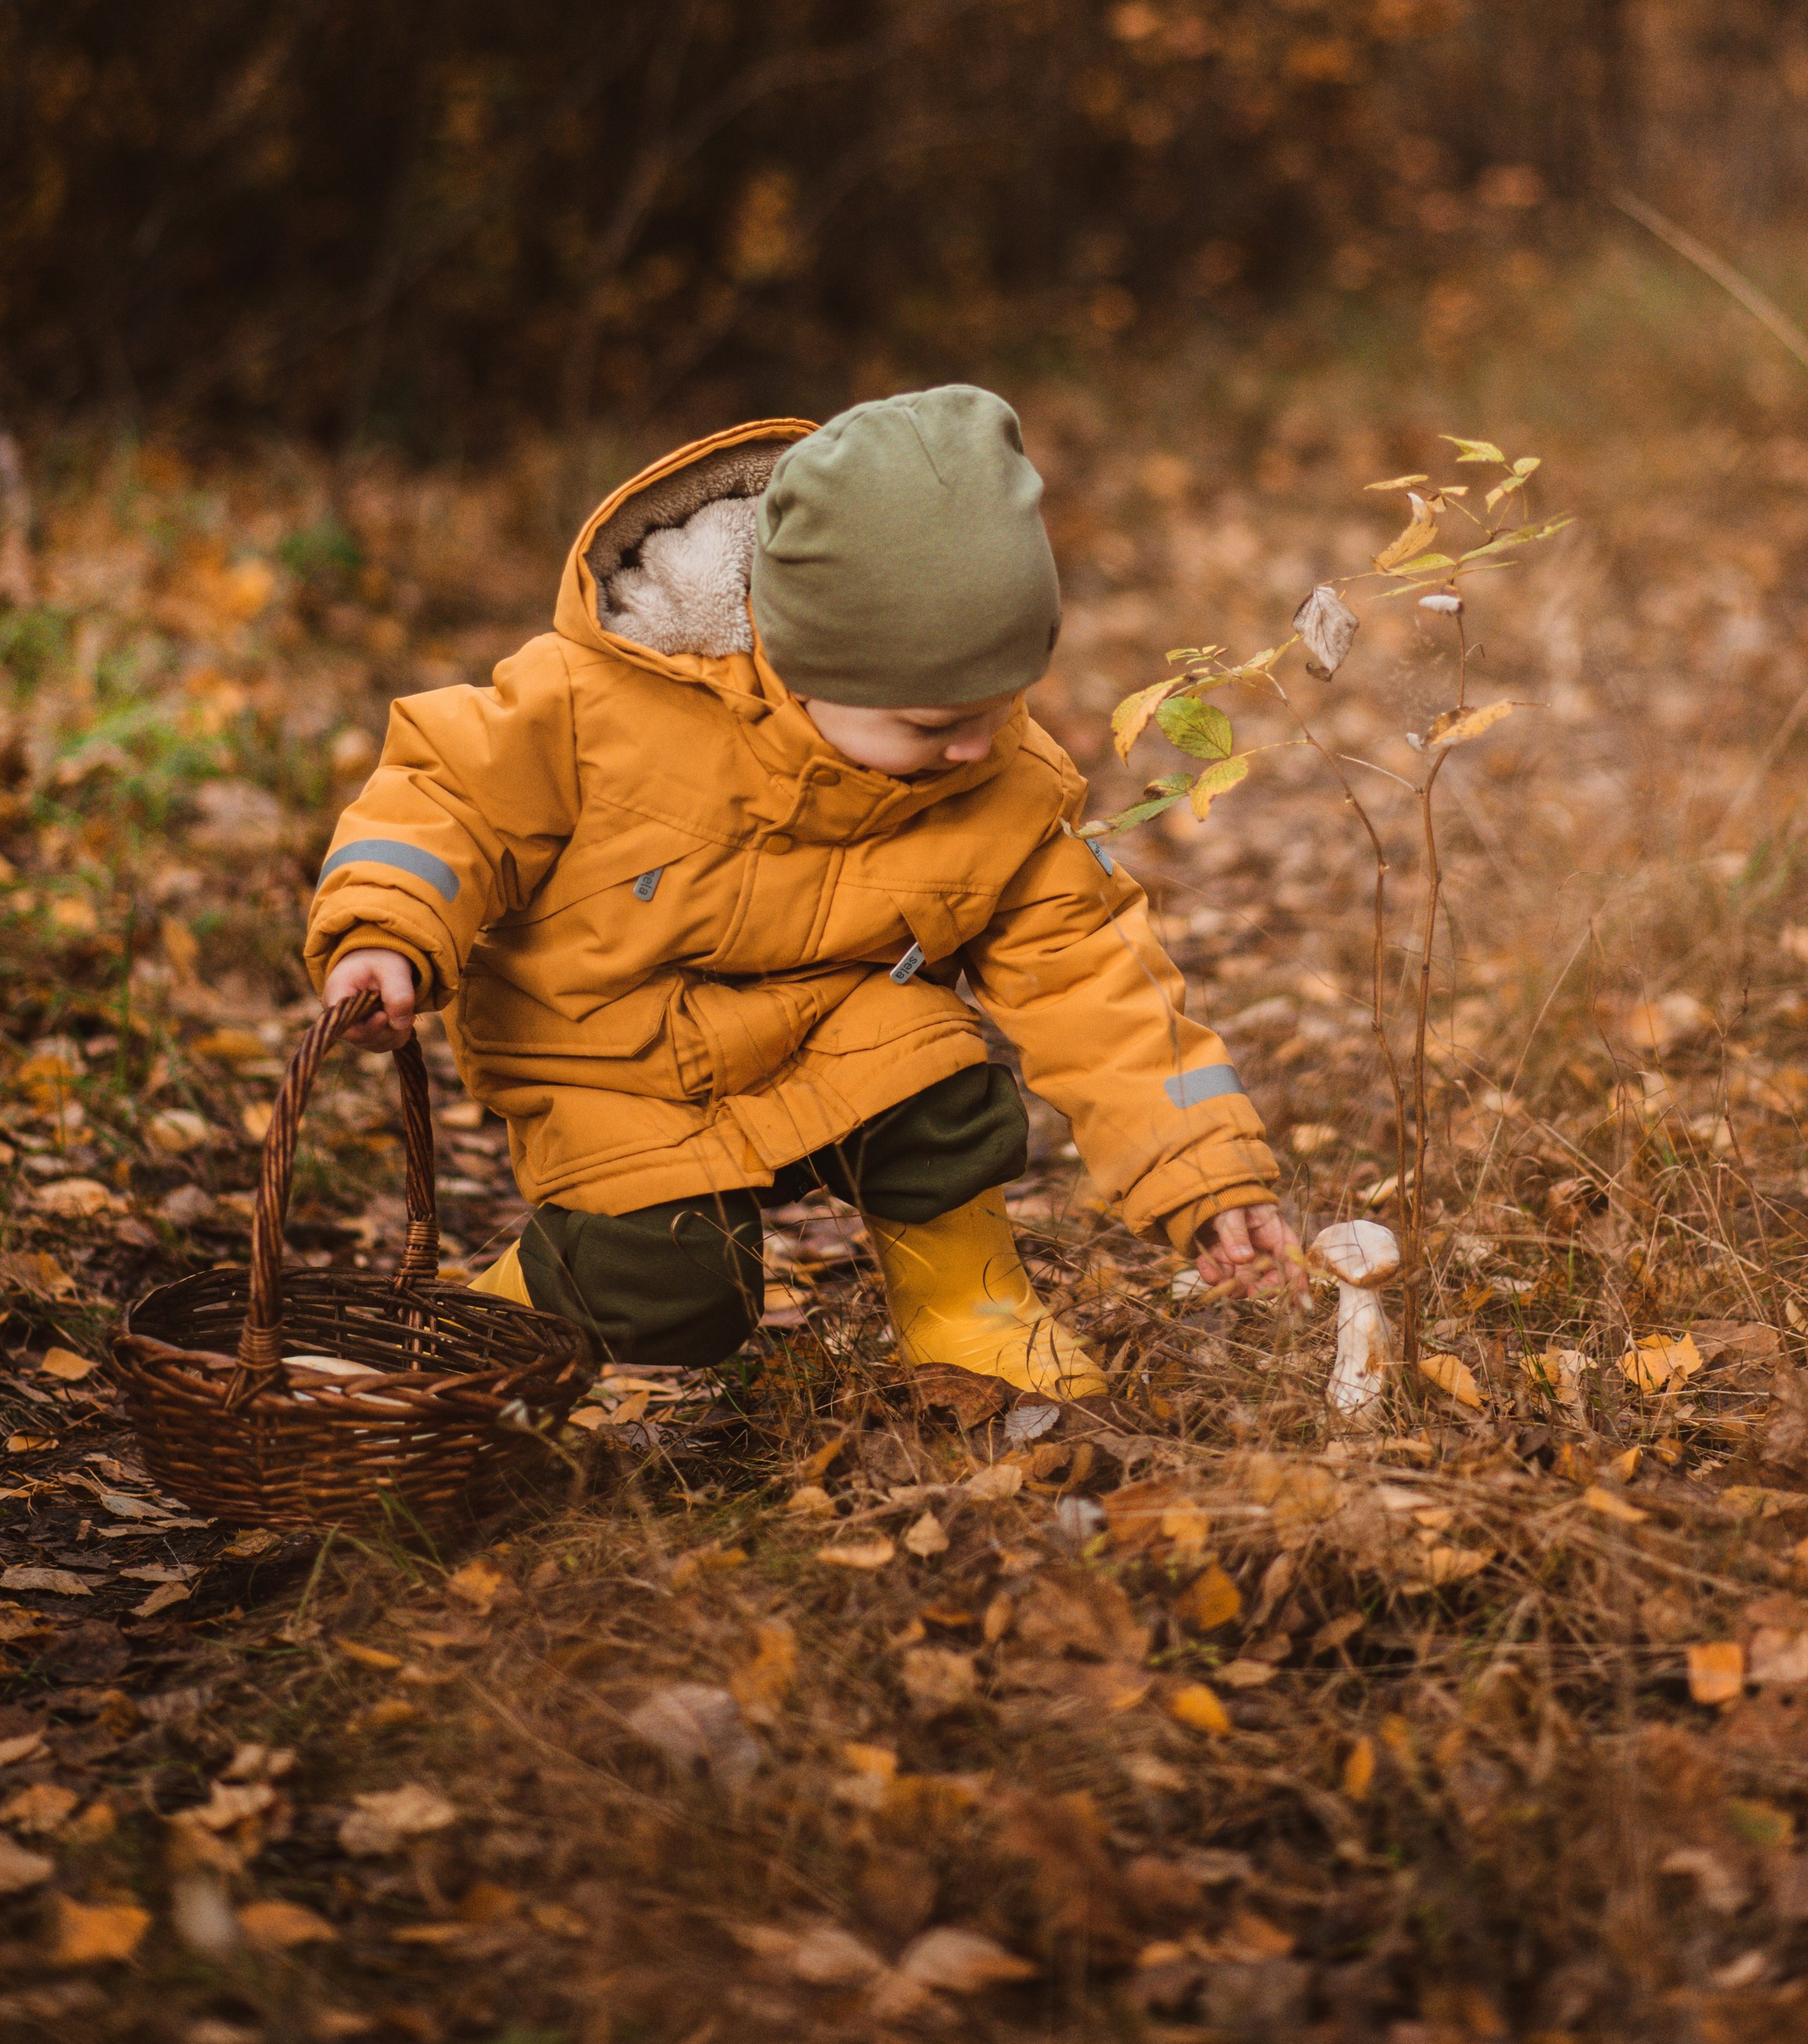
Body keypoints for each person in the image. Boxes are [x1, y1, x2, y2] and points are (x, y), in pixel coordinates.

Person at [307, 385, 1306, 1395]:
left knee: (947, 1097)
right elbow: (445, 800)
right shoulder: (592, 705)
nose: (974, 747)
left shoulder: (1001, 777)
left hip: (832, 1029)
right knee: (671, 1289)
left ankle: (968, 1307)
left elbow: (1092, 978)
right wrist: (384, 928)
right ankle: (461, 1347)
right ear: (801, 662)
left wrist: (1203, 1171)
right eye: (930, 725)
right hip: (613, 1054)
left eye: (999, 705)